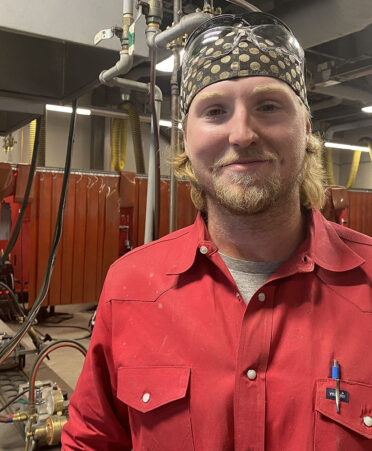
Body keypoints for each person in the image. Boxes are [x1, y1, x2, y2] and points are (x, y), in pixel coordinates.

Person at [62, 11, 372, 451]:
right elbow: (92, 442)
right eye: (215, 111)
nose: (242, 133)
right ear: (186, 140)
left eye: (268, 106)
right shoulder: (130, 286)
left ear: (305, 129)